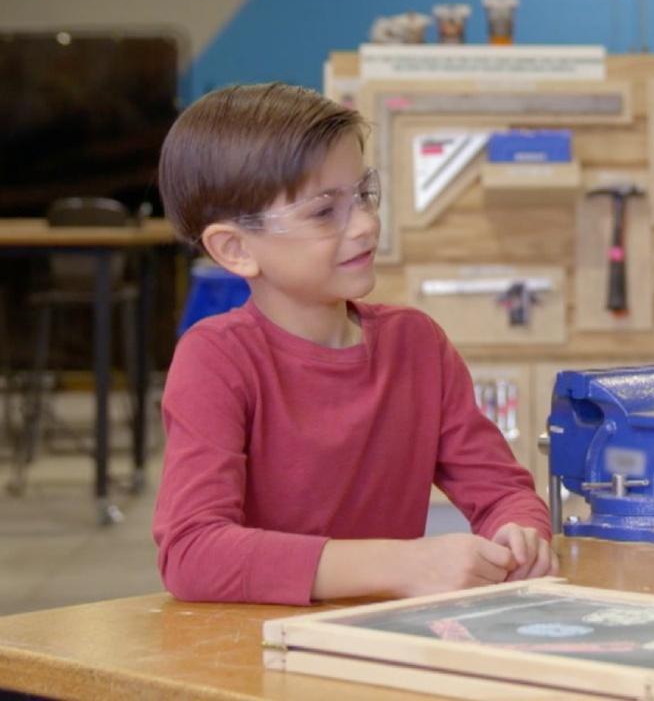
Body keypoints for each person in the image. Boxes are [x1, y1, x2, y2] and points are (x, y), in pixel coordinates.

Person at [152, 83, 554, 604]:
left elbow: (502, 492)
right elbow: (192, 554)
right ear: (235, 248)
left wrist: (519, 532)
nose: (366, 225)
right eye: (324, 212)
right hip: (257, 655)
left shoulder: (417, 344)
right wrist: (403, 563)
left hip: (385, 644)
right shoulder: (215, 358)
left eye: (363, 196)